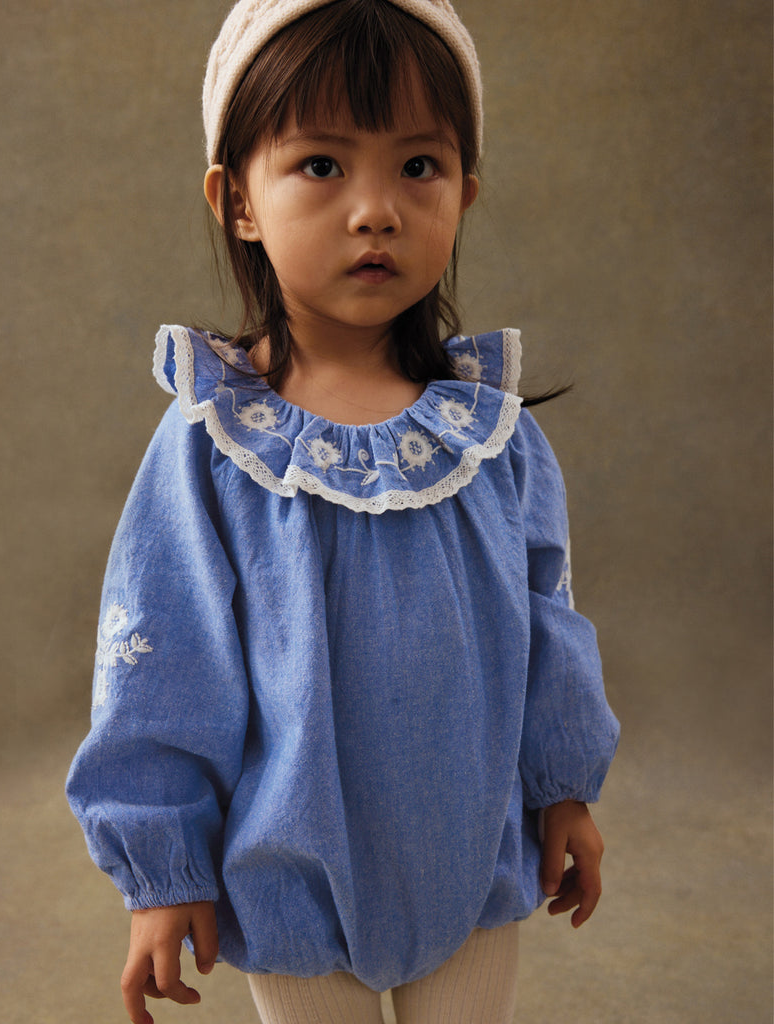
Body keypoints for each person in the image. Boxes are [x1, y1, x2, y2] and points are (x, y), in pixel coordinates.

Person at [66, 1, 620, 1022]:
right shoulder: (214, 444)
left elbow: (549, 621)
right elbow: (158, 657)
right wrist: (164, 866)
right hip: (289, 870)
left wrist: (563, 787)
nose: (376, 211)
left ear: (465, 191)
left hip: (469, 859)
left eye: (418, 166)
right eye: (321, 165)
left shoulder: (490, 439)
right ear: (236, 200)